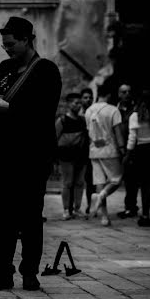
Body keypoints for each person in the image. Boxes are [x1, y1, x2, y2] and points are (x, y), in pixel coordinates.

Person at [0, 16, 61, 292]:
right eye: (4, 45)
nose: (7, 49)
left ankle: (29, 273)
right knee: (4, 214)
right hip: (7, 153)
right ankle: (2, 272)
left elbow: (44, 113)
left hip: (34, 155)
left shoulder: (46, 71)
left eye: (11, 44)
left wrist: (9, 110)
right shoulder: (5, 68)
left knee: (31, 215)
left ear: (27, 40)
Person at [85, 84, 126, 226]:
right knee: (116, 180)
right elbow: (118, 133)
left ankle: (104, 217)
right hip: (110, 151)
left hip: (94, 150)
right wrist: (123, 150)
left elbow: (89, 133)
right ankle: (101, 196)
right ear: (108, 95)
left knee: (99, 182)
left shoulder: (89, 110)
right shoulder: (113, 110)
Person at [126, 89, 150, 226]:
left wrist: (127, 155)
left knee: (145, 185)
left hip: (141, 151)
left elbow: (132, 138)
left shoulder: (134, 116)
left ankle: (146, 214)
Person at [55, 92, 89, 220]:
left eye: (80, 103)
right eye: (76, 103)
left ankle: (77, 208)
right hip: (66, 156)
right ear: (69, 104)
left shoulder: (82, 120)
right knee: (67, 182)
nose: (78, 105)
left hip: (81, 155)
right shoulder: (62, 120)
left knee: (80, 182)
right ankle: (65, 210)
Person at [116, 83, 139, 219]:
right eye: (123, 92)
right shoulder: (115, 109)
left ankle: (131, 207)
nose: (127, 94)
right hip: (119, 147)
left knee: (132, 179)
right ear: (119, 94)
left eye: (129, 92)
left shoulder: (136, 109)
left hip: (133, 148)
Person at [79, 87, 95, 216]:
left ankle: (91, 204)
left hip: (92, 150)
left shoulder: (95, 112)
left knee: (91, 180)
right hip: (79, 151)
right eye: (85, 97)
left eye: (90, 97)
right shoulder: (78, 114)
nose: (88, 100)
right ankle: (73, 207)